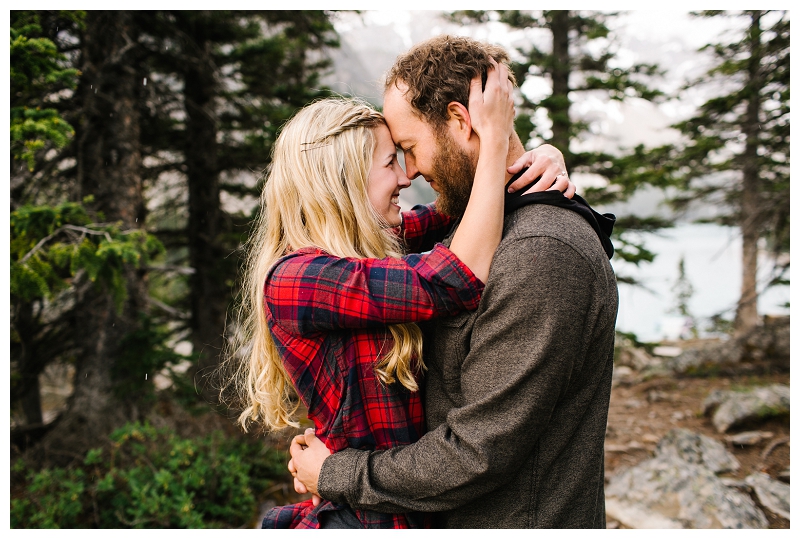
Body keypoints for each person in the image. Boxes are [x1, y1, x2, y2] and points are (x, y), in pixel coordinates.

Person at [288, 35, 619, 529]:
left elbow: (475, 454)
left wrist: (337, 472)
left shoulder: (539, 253)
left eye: (410, 148)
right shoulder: (477, 226)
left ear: (462, 121)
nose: (411, 172)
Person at [229, 58, 573, 529]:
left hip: (401, 504)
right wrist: (493, 140)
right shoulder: (297, 278)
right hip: (365, 515)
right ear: (345, 181)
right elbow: (454, 278)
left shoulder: (374, 244)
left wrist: (539, 158)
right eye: (392, 160)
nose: (407, 176)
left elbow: (463, 207)